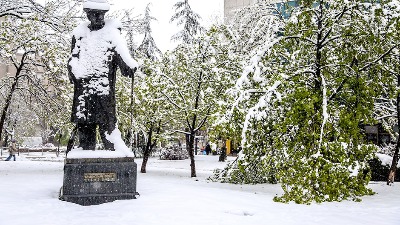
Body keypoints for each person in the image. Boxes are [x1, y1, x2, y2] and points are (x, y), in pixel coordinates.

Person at [68, 0, 138, 150]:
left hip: (103, 92)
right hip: (83, 92)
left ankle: (115, 156)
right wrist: (73, 69)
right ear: (88, 15)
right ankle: (85, 157)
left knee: (109, 131)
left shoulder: (112, 34)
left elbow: (122, 57)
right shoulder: (79, 35)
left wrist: (129, 66)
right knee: (85, 132)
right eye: (94, 14)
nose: (98, 17)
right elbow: (73, 58)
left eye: (101, 14)